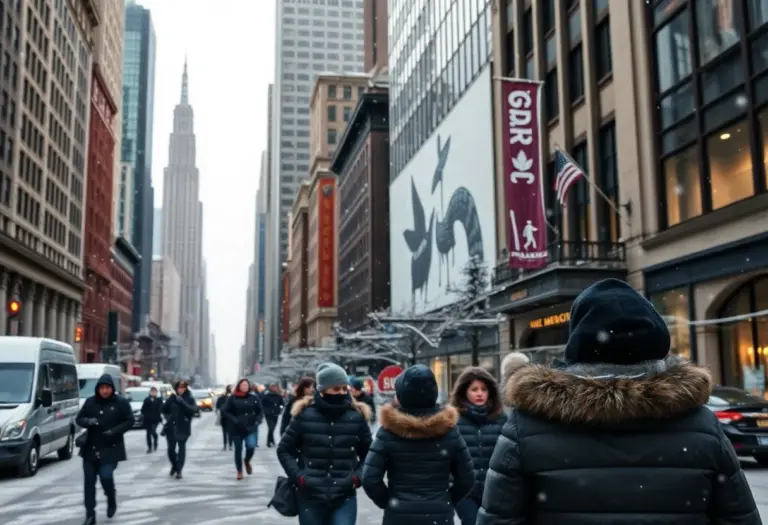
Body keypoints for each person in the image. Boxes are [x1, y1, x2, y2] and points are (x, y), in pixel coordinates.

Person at [478, 278, 761, 525]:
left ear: (578, 344)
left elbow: (499, 518)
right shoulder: (701, 425)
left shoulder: (527, 428)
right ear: (657, 341)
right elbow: (738, 517)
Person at [362, 364, 475, 525]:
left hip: (399, 516)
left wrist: (389, 502)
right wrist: (446, 500)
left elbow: (370, 479)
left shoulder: (388, 432)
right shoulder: (449, 431)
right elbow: (467, 478)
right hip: (439, 515)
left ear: (401, 395)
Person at [278, 363, 372, 525]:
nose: (341, 393)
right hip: (310, 495)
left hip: (344, 495)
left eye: (344, 389)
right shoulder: (304, 415)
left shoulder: (356, 417)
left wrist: (356, 478)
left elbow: (370, 454)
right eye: (336, 389)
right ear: (322, 390)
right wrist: (300, 477)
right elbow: (284, 449)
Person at [450, 367, 506, 525]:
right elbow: (448, 456)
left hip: (494, 491)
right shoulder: (454, 421)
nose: (479, 393)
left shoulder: (502, 420)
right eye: (474, 389)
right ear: (464, 392)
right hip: (465, 492)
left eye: (483, 389)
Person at [76, 374, 134, 525]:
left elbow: (130, 420)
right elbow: (79, 419)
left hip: (111, 448)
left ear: (112, 388)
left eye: (107, 388)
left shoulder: (120, 402)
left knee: (106, 476)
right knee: (89, 483)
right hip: (90, 448)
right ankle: (90, 515)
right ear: (98, 389)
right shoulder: (90, 402)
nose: (105, 391)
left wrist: (115, 431)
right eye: (102, 388)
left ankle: (111, 497)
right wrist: (88, 421)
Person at [221, 378, 264, 480]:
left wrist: (257, 421)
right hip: (237, 428)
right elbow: (225, 411)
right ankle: (239, 471)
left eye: (246, 385)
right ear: (239, 386)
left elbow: (260, 411)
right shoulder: (233, 398)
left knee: (251, 446)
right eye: (243, 385)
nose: (245, 387)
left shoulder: (254, 397)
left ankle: (247, 460)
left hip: (251, 427)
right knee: (238, 449)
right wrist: (234, 420)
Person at [162, 380, 198, 479]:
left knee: (181, 449)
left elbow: (193, 410)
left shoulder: (189, 398)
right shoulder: (172, 397)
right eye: (179, 388)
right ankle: (174, 465)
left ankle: (179, 470)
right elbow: (164, 409)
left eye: (183, 388)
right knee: (171, 450)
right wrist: (170, 401)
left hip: (183, 427)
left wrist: (183, 403)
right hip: (171, 427)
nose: (180, 390)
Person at [141, 386, 163, 453]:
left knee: (153, 431)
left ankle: (155, 441)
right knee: (148, 433)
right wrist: (145, 414)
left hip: (156, 419)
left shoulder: (159, 400)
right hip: (148, 419)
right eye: (152, 391)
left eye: (154, 392)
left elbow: (161, 409)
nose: (153, 393)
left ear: (156, 393)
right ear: (150, 392)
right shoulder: (146, 400)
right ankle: (149, 447)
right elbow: (143, 409)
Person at [260, 383, 284, 447]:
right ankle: (269, 441)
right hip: (268, 414)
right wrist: (265, 410)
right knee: (271, 427)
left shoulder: (278, 396)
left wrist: (280, 409)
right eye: (272, 387)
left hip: (276, 414)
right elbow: (262, 404)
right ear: (270, 388)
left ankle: (271, 440)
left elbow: (282, 404)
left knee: (273, 428)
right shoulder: (266, 396)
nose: (274, 388)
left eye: (275, 387)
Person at [215, 385, 233, 450]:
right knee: (231, 432)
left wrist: (218, 412)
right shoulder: (233, 397)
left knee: (224, 431)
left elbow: (217, 407)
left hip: (223, 416)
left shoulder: (221, 398)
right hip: (231, 417)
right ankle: (230, 445)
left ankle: (225, 445)